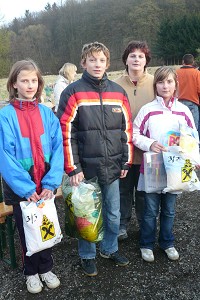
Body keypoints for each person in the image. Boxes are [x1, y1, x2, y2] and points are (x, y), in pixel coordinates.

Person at [57, 41, 133, 276]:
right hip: (85, 170)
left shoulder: (118, 92)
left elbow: (126, 130)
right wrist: (72, 167)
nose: (97, 64)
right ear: (83, 63)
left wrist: (126, 161)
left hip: (112, 167)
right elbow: (65, 132)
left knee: (113, 213)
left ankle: (109, 249)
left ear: (107, 63)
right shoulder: (73, 92)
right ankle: (87, 255)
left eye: (101, 60)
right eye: (92, 60)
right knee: (86, 215)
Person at [0, 59, 64, 293]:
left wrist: (51, 182)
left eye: (33, 80)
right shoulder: (5, 116)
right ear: (14, 84)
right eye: (24, 80)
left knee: (46, 226)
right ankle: (31, 272)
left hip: (44, 186)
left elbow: (58, 150)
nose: (29, 85)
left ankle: (46, 268)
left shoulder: (47, 114)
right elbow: (5, 156)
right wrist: (26, 189)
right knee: (27, 229)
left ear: (39, 84)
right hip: (23, 190)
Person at [133, 66, 199, 262]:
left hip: (176, 169)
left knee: (169, 210)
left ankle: (167, 243)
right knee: (150, 210)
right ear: (156, 85)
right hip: (153, 167)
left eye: (169, 81)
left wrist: (194, 159)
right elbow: (135, 134)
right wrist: (150, 143)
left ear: (175, 84)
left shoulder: (184, 111)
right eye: (161, 82)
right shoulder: (148, 110)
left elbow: (192, 137)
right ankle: (146, 244)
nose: (165, 85)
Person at [115, 40, 154, 240]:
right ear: (126, 59)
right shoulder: (115, 85)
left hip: (147, 149)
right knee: (123, 189)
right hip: (122, 148)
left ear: (146, 59)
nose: (137, 59)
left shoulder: (155, 82)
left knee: (143, 191)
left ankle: (143, 224)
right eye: (133, 55)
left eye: (141, 56)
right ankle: (122, 225)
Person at [176, 54, 200, 130]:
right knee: (193, 129)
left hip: (177, 103)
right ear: (193, 62)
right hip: (192, 103)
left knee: (178, 128)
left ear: (183, 61)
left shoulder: (176, 73)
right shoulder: (197, 73)